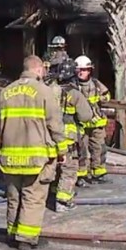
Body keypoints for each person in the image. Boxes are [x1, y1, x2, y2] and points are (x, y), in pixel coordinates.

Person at [0, 55, 67, 250]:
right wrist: (62, 149)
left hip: (9, 157)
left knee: (14, 197)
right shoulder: (44, 92)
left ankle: (12, 233)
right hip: (36, 158)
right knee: (33, 197)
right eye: (43, 69)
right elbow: (55, 125)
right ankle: (26, 239)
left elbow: (0, 125)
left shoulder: (6, 92)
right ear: (37, 70)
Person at [46, 58, 95, 211]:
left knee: (52, 166)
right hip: (68, 138)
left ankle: (50, 194)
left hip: (48, 136)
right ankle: (63, 200)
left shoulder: (47, 91)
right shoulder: (74, 94)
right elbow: (86, 116)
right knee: (69, 169)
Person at [73, 55, 111, 186]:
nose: (82, 72)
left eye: (85, 69)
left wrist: (103, 98)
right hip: (80, 124)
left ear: (90, 70)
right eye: (80, 69)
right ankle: (80, 174)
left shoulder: (95, 83)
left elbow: (107, 95)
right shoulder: (73, 86)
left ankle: (98, 172)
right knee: (80, 150)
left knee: (99, 148)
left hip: (96, 123)